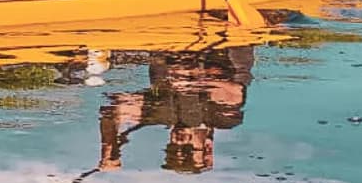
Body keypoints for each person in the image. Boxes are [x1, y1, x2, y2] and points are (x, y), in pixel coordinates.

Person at [96, 44, 256, 174]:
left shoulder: (159, 113)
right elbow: (234, 91)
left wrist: (109, 147)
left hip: (166, 38)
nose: (179, 142)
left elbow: (111, 111)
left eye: (172, 149)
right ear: (207, 148)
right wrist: (193, 81)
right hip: (225, 36)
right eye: (187, 150)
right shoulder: (223, 119)